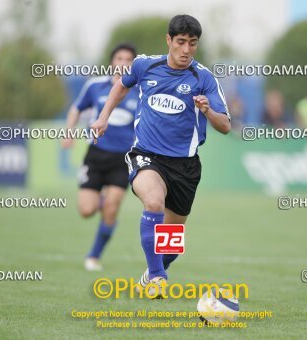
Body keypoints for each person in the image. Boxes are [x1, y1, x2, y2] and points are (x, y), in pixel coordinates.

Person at [90, 14, 231, 297]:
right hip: (147, 155)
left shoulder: (203, 78)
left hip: (185, 166)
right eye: (181, 42)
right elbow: (120, 85)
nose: (186, 49)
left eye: (192, 43)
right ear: (169, 40)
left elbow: (225, 125)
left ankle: (150, 275)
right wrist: (103, 117)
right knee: (153, 201)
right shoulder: (145, 65)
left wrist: (208, 111)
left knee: (171, 247)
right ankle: (156, 277)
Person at [61, 44, 139, 271]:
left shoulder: (141, 90)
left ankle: (94, 256)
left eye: (128, 59)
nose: (123, 63)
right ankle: (103, 202)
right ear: (112, 61)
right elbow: (76, 108)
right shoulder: (95, 86)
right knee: (86, 210)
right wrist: (69, 131)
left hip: (123, 159)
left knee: (112, 208)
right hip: (95, 156)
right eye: (119, 58)